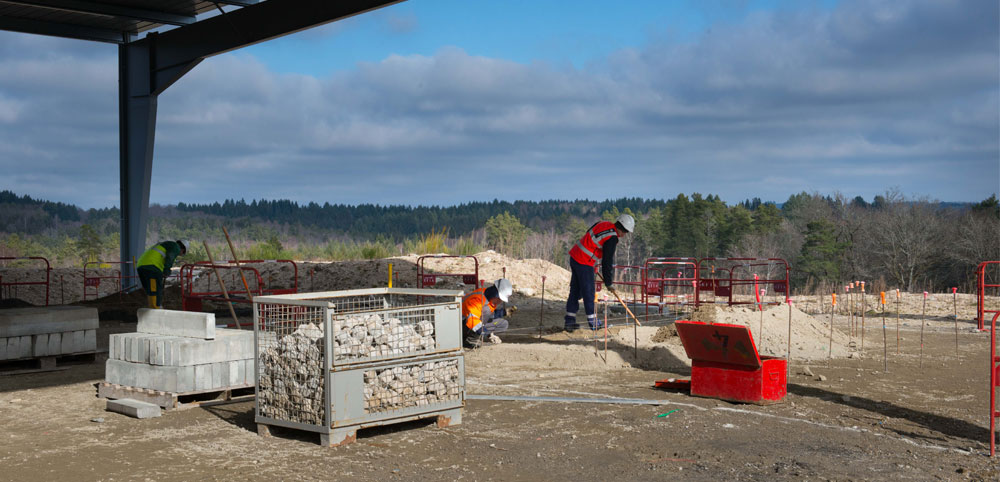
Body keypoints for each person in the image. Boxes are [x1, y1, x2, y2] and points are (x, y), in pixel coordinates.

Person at [565, 214, 634, 332]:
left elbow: (590, 235)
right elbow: (607, 261)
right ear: (623, 229)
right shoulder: (612, 238)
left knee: (575, 291)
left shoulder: (603, 223)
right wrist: (608, 282)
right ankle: (593, 322)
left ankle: (569, 321)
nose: (625, 235)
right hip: (584, 261)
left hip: (575, 256)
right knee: (589, 292)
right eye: (626, 232)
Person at [462, 278, 514, 348]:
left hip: (476, 323)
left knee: (503, 324)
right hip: (462, 325)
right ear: (495, 294)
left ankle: (477, 335)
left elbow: (488, 315)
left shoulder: (488, 298)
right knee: (486, 310)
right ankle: (470, 339)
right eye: (500, 299)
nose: (500, 302)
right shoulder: (477, 300)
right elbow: (472, 320)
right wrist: (487, 333)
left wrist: (503, 312)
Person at [136, 239, 187, 309]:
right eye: (182, 253)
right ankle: (156, 308)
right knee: (155, 289)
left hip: (141, 265)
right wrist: (166, 270)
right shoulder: (175, 246)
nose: (180, 254)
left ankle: (153, 307)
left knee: (150, 290)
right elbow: (170, 257)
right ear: (183, 248)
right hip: (152, 267)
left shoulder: (165, 245)